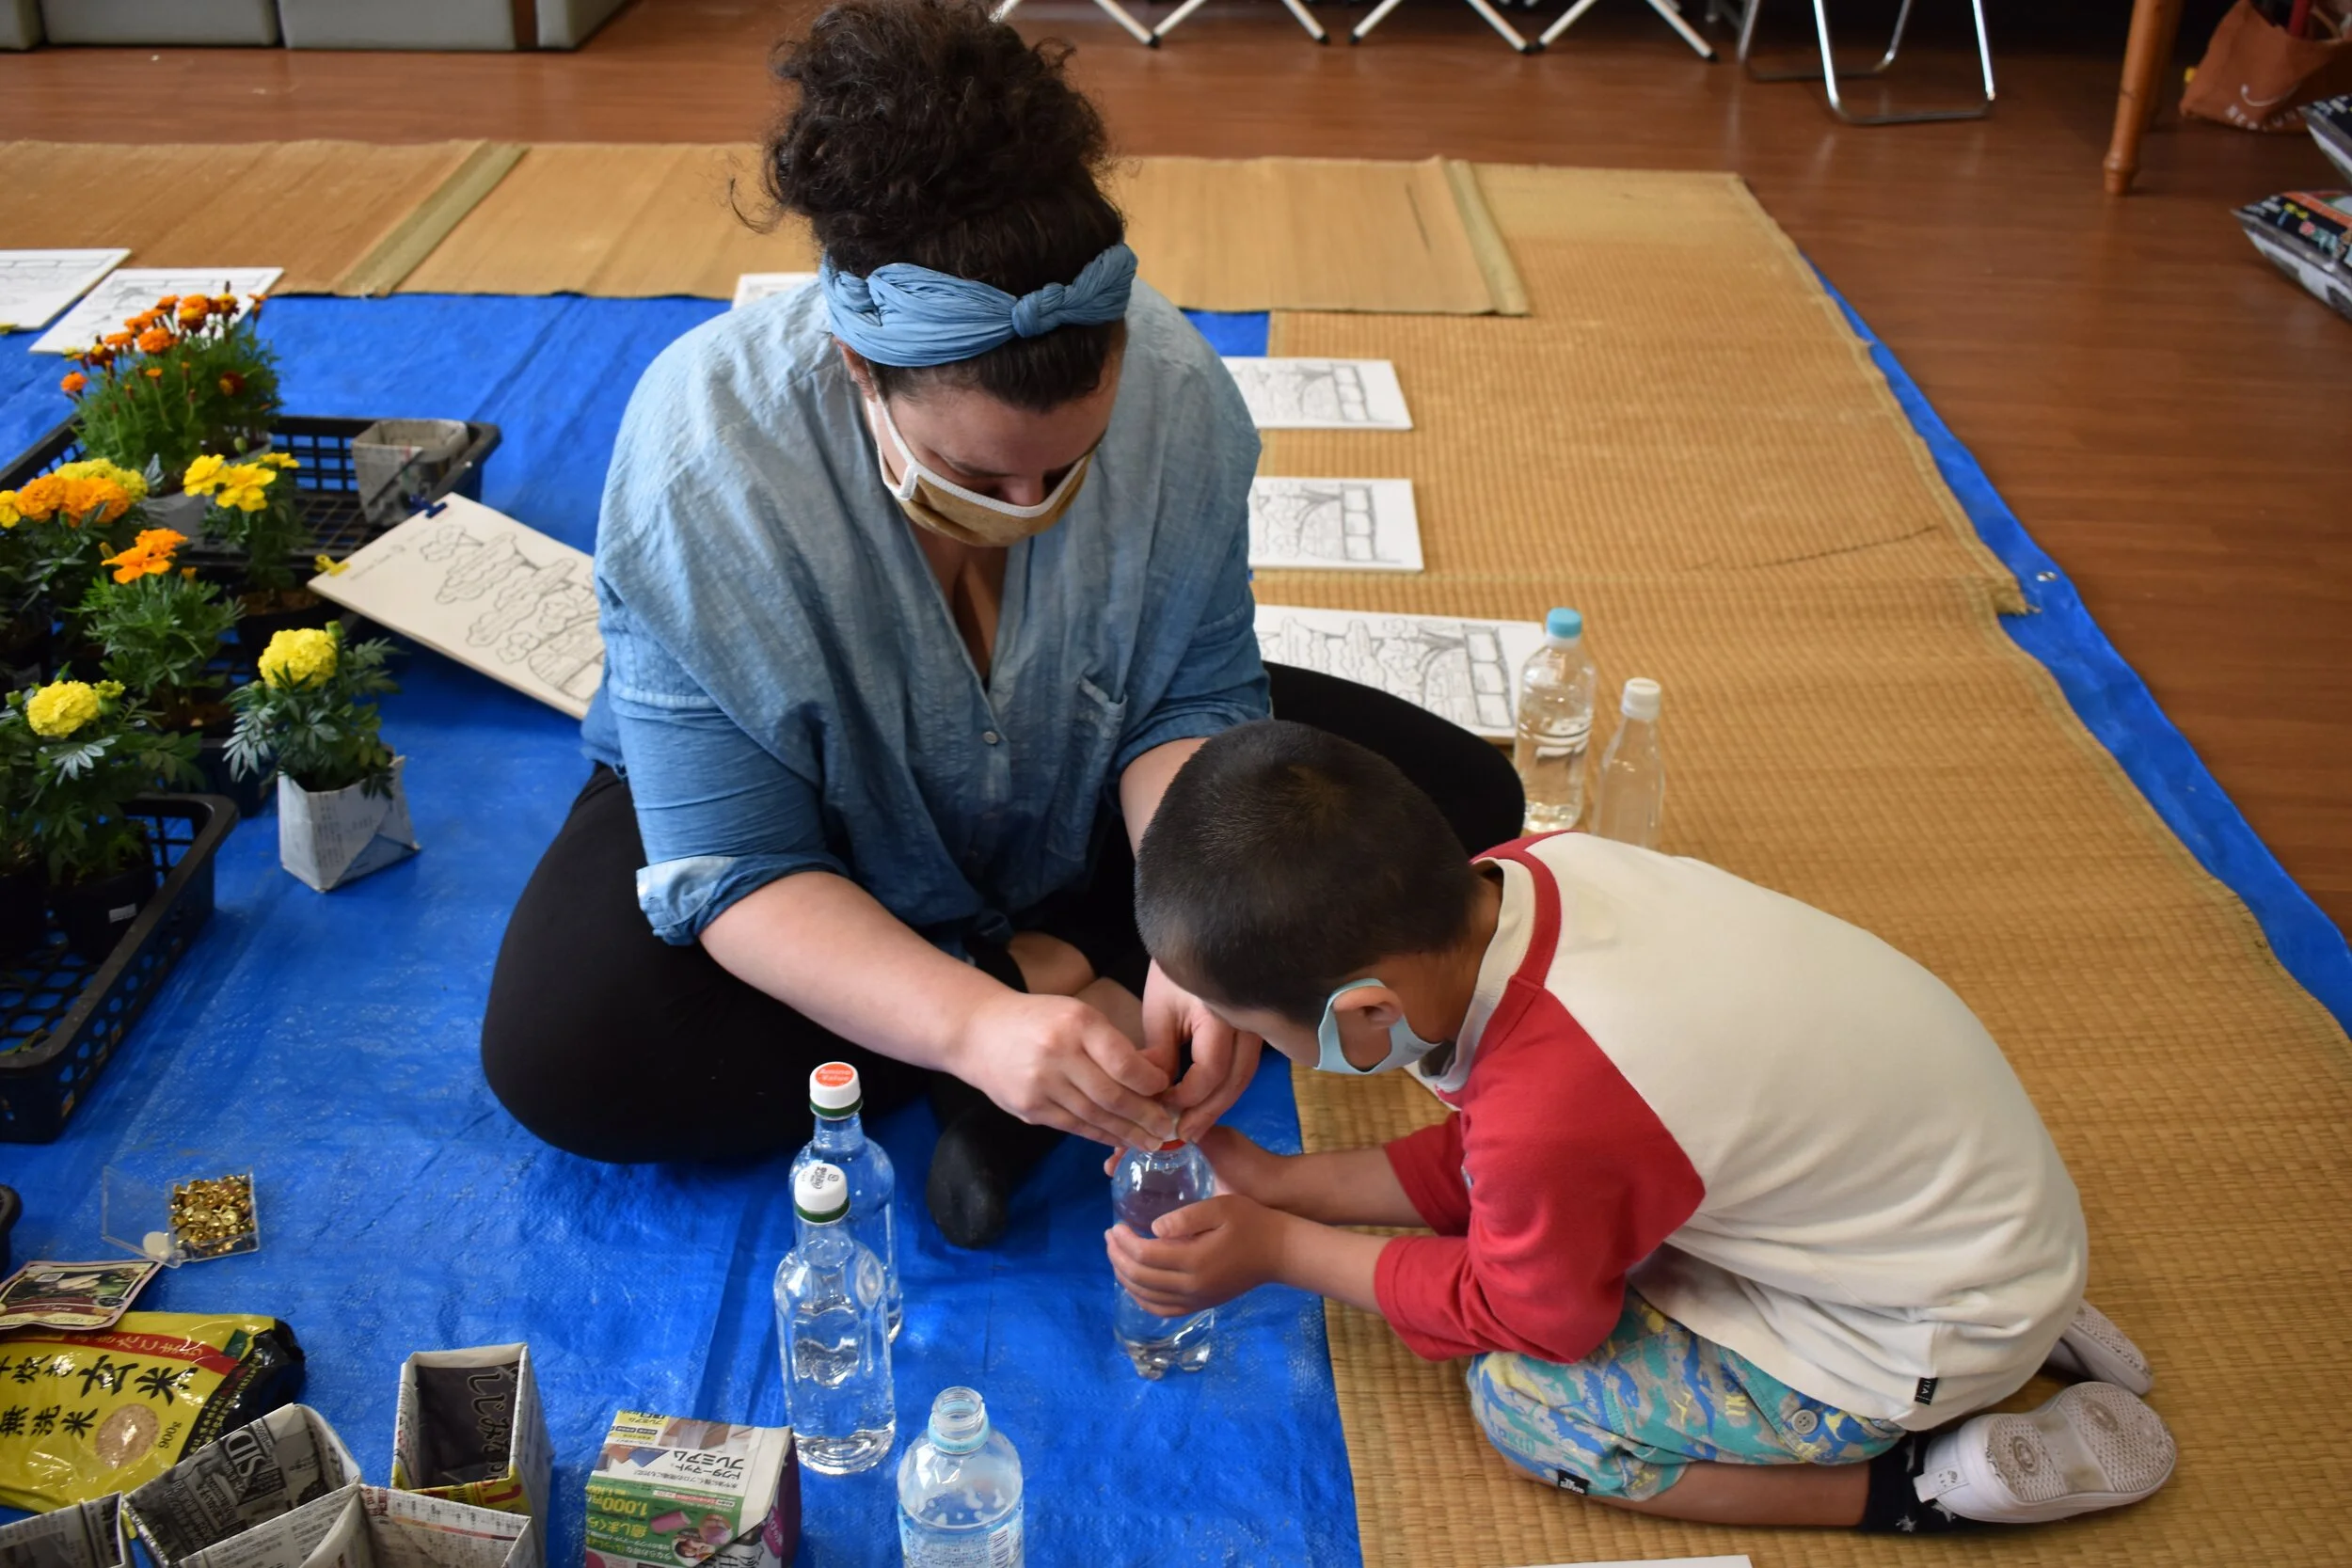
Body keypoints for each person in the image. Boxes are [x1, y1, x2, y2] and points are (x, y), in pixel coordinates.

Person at [477, 0, 1521, 1249]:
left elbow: (1188, 699)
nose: (1028, 509)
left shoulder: (1179, 392)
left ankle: (1040, 1027)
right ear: (860, 366)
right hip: (816, 827)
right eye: (978, 474)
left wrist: (1198, 915)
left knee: (1462, 808)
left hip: (1075, 777)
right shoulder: (704, 458)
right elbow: (738, 861)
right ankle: (1005, 1024)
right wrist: (973, 1024)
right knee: (564, 1052)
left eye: (1069, 466)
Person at [1110, 721, 2175, 1531]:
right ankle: (2017, 1315)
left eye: (1260, 1036)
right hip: (1969, 1198)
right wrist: (1285, 1181)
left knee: (1525, 1405)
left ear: (1364, 1013)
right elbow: (1503, 1149)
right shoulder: (1536, 872)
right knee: (1599, 1205)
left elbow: (1530, 1312)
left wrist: (1287, 1249)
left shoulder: (1562, 1105)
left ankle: (1910, 1484)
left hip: (1915, 1326)